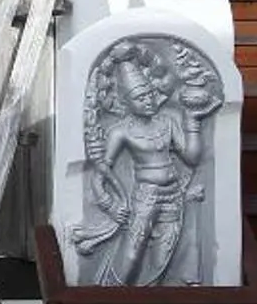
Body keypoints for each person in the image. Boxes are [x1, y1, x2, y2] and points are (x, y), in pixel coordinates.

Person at [73, 38, 223, 286]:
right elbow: (101, 172)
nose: (148, 100)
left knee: (162, 255)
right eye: (140, 98)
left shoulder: (168, 122)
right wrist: (111, 206)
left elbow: (192, 158)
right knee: (132, 253)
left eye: (150, 94)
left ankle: (149, 302)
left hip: (172, 195)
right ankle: (113, 298)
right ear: (126, 101)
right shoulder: (121, 131)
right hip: (146, 196)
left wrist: (192, 121)